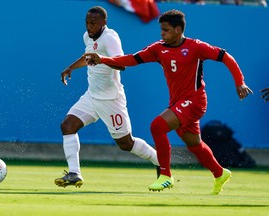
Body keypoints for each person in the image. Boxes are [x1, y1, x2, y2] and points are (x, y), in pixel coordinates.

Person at [84, 9, 253, 195]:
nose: (162, 34)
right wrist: (104, 59)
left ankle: (165, 175)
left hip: (195, 101)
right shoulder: (159, 48)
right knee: (194, 144)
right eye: (161, 30)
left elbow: (226, 57)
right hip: (178, 103)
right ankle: (220, 173)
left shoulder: (196, 47)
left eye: (166, 30)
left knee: (157, 126)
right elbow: (133, 59)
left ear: (178, 30)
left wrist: (240, 83)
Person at [54, 6, 159, 188]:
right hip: (92, 96)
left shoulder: (110, 38)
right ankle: (74, 173)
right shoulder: (87, 36)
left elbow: (122, 64)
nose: (89, 26)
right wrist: (71, 67)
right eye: (87, 22)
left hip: (111, 100)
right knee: (68, 125)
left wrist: (102, 59)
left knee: (126, 144)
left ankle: (160, 161)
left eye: (93, 23)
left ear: (104, 23)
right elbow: (87, 56)